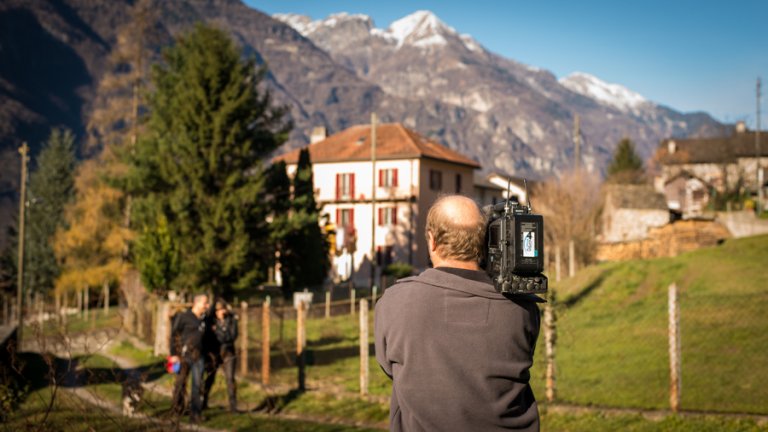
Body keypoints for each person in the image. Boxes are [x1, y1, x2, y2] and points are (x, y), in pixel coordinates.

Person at [374, 195, 543, 431]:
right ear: (484, 241)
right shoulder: (522, 309)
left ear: (432, 241)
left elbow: (388, 367)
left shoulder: (394, 302)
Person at [170, 293, 210, 423]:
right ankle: (177, 410)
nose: (207, 306)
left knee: (197, 386)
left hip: (199, 357)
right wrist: (174, 355)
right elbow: (174, 335)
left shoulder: (204, 319)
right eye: (205, 303)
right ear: (196, 303)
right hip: (183, 357)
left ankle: (195, 414)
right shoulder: (184, 317)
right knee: (180, 384)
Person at [201, 300, 239, 413]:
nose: (222, 312)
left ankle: (233, 406)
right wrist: (221, 332)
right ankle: (203, 402)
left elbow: (232, 335)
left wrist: (218, 332)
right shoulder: (210, 321)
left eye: (223, 309)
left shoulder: (231, 320)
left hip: (228, 352)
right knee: (209, 378)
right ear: (216, 311)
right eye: (220, 310)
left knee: (230, 379)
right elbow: (209, 336)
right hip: (214, 353)